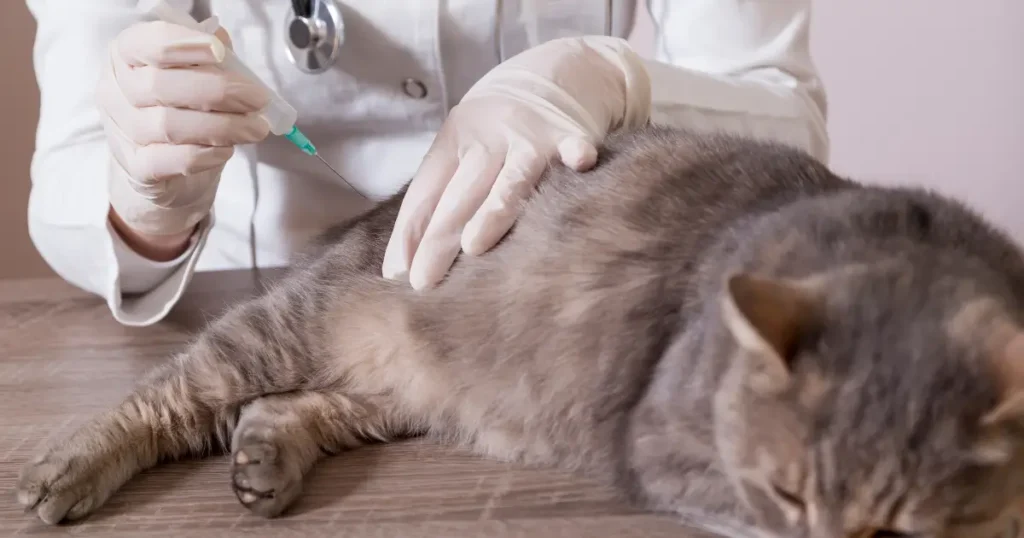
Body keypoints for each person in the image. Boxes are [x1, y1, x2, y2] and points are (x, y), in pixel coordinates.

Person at [23, 0, 829, 327]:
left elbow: (783, 120)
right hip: (259, 311)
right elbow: (71, 170)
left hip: (559, 318)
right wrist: (149, 204)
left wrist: (607, 77)